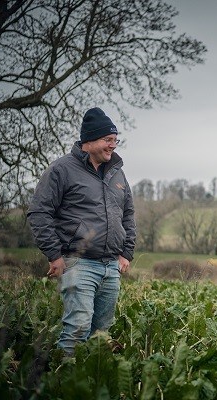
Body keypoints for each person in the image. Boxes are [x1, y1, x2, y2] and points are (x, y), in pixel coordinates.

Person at [27, 107, 136, 357]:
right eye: (108, 140)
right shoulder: (61, 170)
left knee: (101, 335)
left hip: (111, 267)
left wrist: (126, 253)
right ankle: (63, 385)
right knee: (77, 330)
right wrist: (54, 255)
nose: (113, 146)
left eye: (115, 140)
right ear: (89, 141)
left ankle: (89, 384)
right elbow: (39, 212)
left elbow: (128, 213)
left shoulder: (117, 173)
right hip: (79, 264)